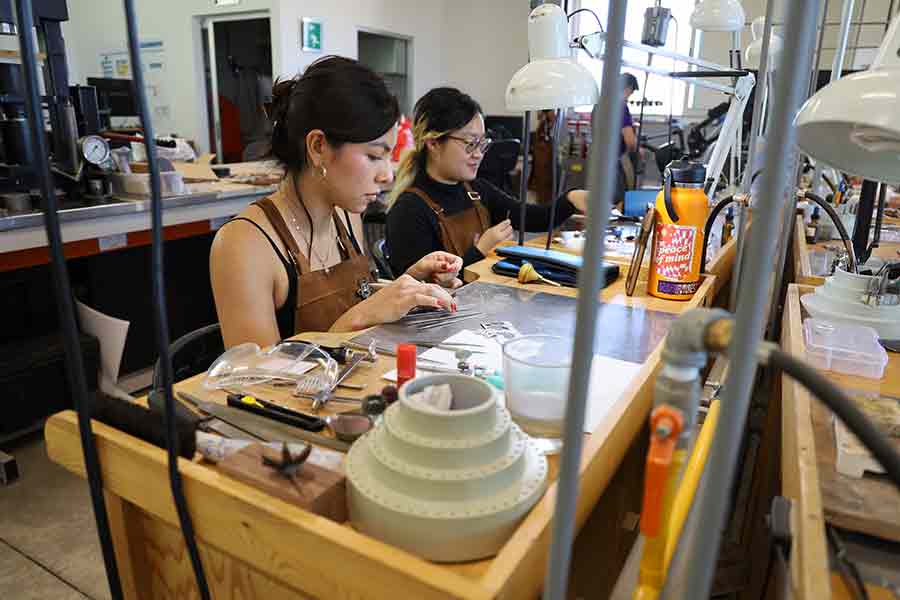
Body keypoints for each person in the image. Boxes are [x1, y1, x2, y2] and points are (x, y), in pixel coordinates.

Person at [210, 57, 463, 348]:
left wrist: (410, 288)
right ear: (318, 147)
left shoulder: (346, 215)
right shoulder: (244, 244)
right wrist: (358, 319)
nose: (387, 175)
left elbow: (355, 300)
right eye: (374, 156)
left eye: (388, 156)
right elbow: (256, 373)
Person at [386, 87, 589, 276]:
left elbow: (533, 217)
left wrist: (571, 199)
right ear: (433, 143)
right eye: (470, 144)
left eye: (482, 143)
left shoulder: (476, 191)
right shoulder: (409, 211)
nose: (478, 154)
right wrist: (481, 249)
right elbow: (415, 290)